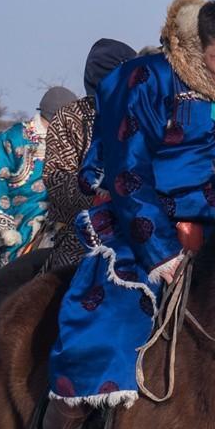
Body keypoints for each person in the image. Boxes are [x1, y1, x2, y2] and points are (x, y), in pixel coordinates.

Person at [22, 0, 215, 429]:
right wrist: (163, 251)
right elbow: (127, 170)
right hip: (140, 223)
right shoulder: (145, 79)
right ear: (198, 45)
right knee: (111, 315)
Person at [43, 39, 137, 271]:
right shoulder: (69, 118)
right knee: (68, 283)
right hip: (84, 234)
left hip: (143, 228)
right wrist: (103, 192)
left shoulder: (144, 112)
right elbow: (56, 181)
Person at [0, 85, 78, 268]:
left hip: (64, 214)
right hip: (22, 217)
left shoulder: (73, 141)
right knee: (12, 267)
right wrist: (3, 228)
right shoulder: (13, 138)